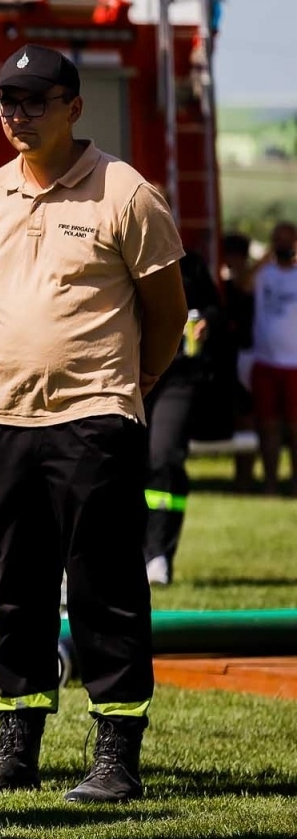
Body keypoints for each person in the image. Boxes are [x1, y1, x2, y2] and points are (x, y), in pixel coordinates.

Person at [0, 45, 186, 806]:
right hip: (4, 417)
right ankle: (15, 744)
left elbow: (166, 314)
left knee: (105, 586)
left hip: (96, 417)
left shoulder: (127, 192)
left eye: (35, 101)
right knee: (12, 586)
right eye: (7, 102)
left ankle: (117, 753)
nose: (17, 114)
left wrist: (135, 385)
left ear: (73, 107)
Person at [144, 250, 224, 586]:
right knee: (122, 465)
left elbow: (215, 309)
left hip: (179, 375)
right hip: (131, 373)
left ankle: (159, 554)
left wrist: (207, 320)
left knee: (164, 459)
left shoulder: (190, 264)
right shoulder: (118, 250)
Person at [252, 221, 297, 496]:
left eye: (287, 239)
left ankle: (294, 485)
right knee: (268, 428)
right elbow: (243, 281)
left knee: (295, 430)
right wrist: (264, 257)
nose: (282, 245)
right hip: (266, 362)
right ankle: (270, 484)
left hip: (294, 364)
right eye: (277, 239)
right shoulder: (263, 274)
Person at [218, 233, 258, 490]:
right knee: (240, 415)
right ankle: (242, 476)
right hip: (230, 357)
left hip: (246, 356)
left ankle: (245, 476)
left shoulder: (247, 281)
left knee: (247, 415)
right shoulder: (223, 283)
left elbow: (244, 282)